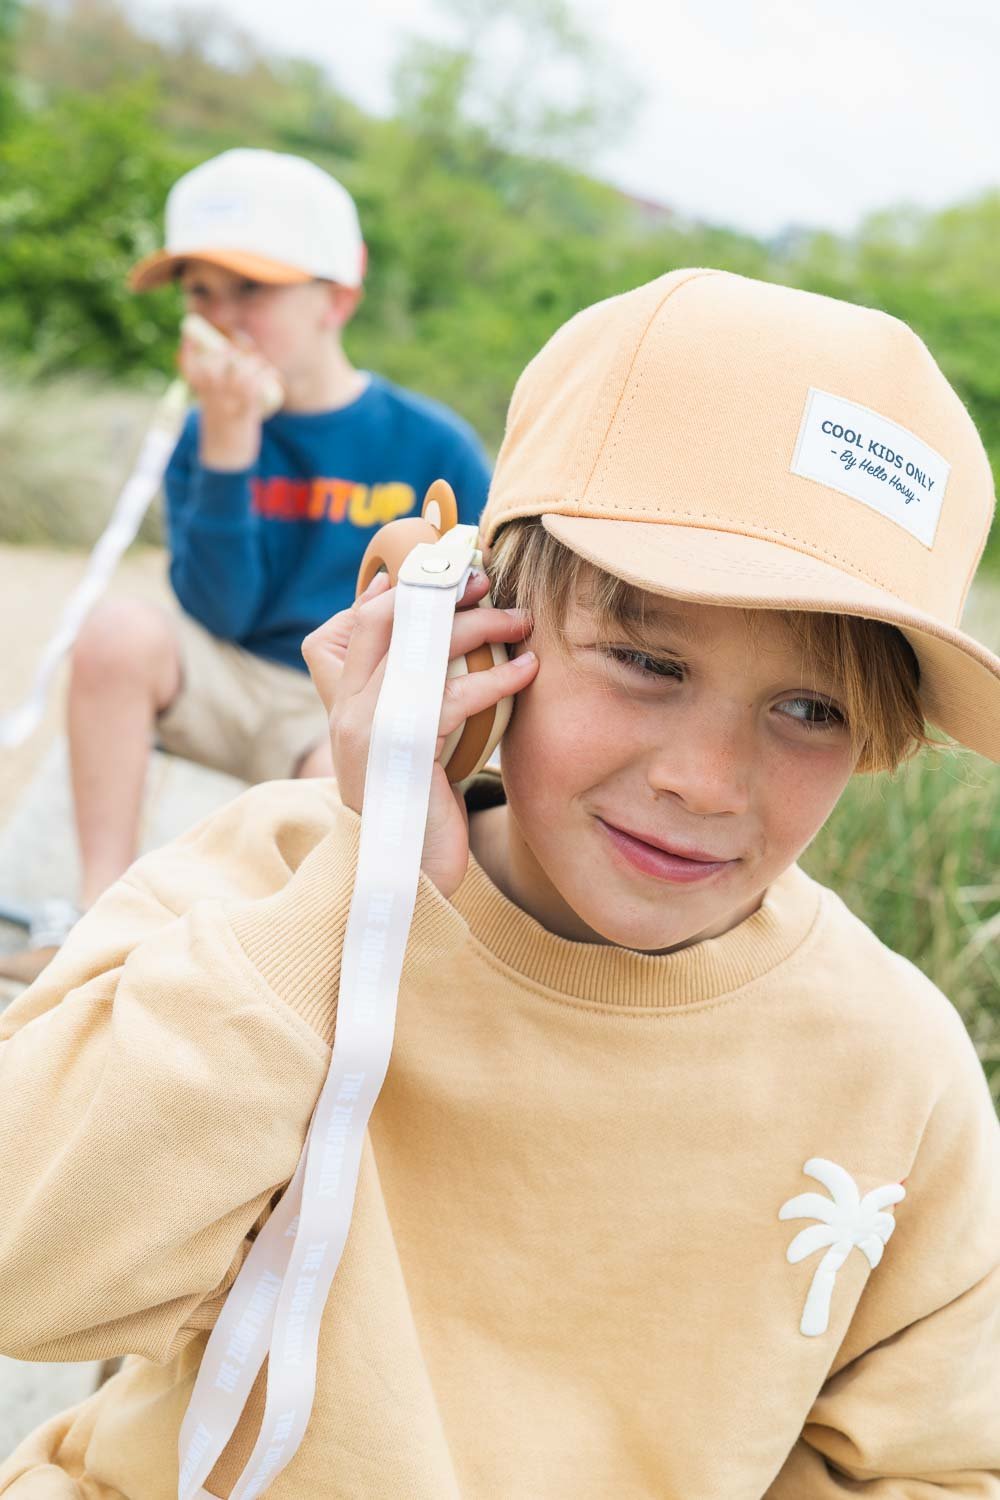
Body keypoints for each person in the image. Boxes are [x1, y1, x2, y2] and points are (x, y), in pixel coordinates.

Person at [1, 269, 998, 1498]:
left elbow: (938, 1464)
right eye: (643, 659)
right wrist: (357, 903)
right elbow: (28, 1267)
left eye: (808, 708)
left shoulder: (895, 1068)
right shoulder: (273, 881)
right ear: (471, 618)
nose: (705, 781)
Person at [0, 147, 491, 985]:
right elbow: (219, 608)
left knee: (342, 777)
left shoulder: (425, 441)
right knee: (119, 631)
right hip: (224, 673)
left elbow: (483, 584)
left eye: (251, 289)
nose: (222, 314)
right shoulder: (204, 435)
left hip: (329, 697)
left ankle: (275, 959)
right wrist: (230, 444)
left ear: (336, 296)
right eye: (200, 291)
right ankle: (100, 911)